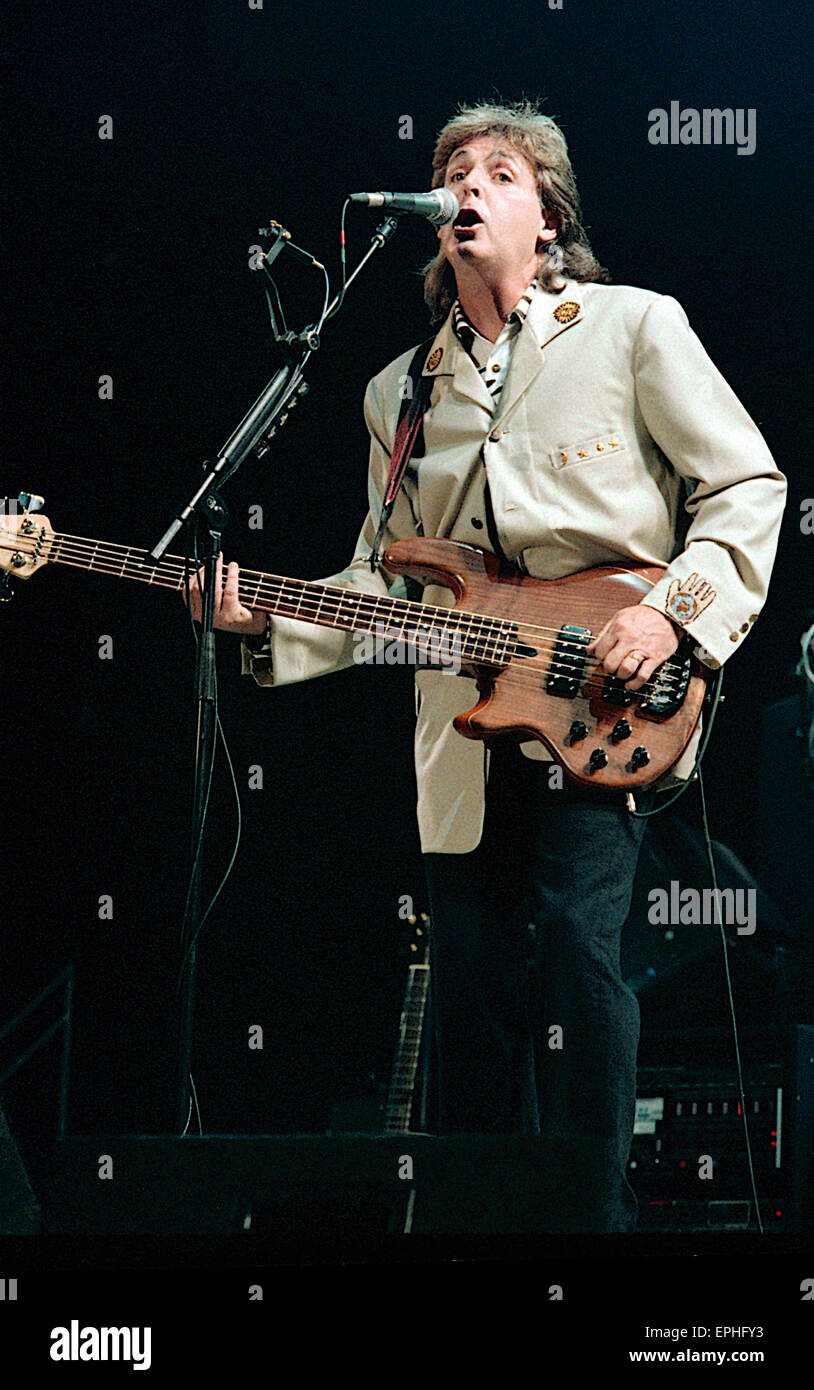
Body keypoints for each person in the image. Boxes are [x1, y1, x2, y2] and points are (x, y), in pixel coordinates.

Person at [187, 101, 786, 1231]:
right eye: (452, 170)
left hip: (610, 693)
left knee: (572, 942)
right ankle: (470, 1233)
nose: (466, 185)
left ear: (545, 219)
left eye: (497, 172)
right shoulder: (395, 395)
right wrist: (259, 618)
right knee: (467, 975)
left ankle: (587, 1219)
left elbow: (748, 487)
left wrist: (671, 618)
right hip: (461, 720)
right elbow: (386, 586)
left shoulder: (631, 327)